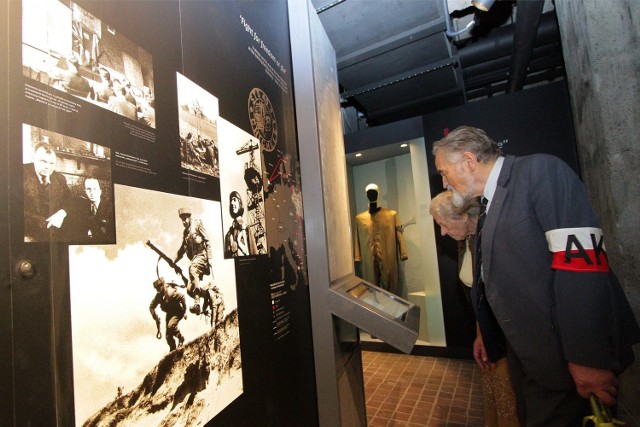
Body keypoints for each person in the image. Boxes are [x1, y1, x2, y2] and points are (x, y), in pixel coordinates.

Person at [432, 125, 640, 426]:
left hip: (566, 360)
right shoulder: (490, 203)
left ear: (467, 161)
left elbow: (582, 267)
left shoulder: (541, 172)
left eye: (443, 171)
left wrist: (588, 358)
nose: (444, 181)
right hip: (531, 359)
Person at [430, 191, 518, 427]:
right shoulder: (466, 244)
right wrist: (480, 335)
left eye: (443, 224)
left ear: (462, 217)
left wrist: (492, 337)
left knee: (509, 399)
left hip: (507, 338)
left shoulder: (491, 242)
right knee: (493, 394)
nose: (442, 232)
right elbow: (478, 297)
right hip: (487, 331)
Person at [354, 183, 408, 297]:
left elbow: (399, 234)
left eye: (373, 192)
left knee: (391, 288)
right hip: (368, 258)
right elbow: (357, 238)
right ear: (365, 195)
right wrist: (357, 256)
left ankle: (392, 312)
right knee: (370, 288)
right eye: (369, 193)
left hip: (388, 257)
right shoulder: (359, 218)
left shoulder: (392, 215)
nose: (371, 195)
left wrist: (403, 252)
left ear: (378, 193)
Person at [23, 142, 72, 242]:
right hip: (29, 232)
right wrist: (45, 223)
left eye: (51, 163)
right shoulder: (20, 174)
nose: (47, 167)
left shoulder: (60, 178)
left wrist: (62, 213)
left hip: (55, 233)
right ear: (33, 159)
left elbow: (70, 200)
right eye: (43, 161)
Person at [174, 208, 212, 315]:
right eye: (182, 220)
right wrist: (173, 261)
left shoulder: (197, 224)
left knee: (192, 268)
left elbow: (207, 239)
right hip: (195, 260)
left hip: (202, 257)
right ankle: (208, 295)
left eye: (185, 219)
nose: (183, 222)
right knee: (189, 289)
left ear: (189, 217)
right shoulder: (185, 234)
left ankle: (197, 304)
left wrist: (209, 258)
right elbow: (181, 251)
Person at [149, 278, 186, 352]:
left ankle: (181, 338)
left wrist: (185, 311)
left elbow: (182, 296)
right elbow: (151, 307)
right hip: (169, 313)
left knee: (171, 325)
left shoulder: (170, 292)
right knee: (168, 336)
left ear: (162, 286)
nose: (157, 290)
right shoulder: (159, 296)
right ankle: (172, 350)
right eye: (156, 288)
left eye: (159, 287)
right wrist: (156, 317)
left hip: (177, 311)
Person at [224, 191, 258, 257]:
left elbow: (254, 253)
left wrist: (239, 242)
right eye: (231, 201)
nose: (232, 203)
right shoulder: (228, 235)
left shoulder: (247, 229)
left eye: (234, 200)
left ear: (240, 203)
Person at [81, 178, 114, 243]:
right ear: (85, 191)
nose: (92, 192)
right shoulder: (82, 206)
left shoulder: (110, 208)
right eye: (88, 189)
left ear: (100, 191)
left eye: (94, 189)